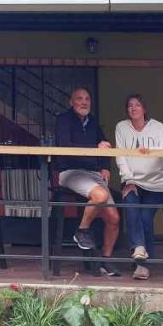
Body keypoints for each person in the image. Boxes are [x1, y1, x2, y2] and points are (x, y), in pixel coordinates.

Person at [53, 86, 121, 277]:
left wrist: (106, 166)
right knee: (101, 195)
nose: (84, 102)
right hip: (70, 172)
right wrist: (95, 147)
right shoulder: (63, 120)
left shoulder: (93, 123)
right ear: (71, 102)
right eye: (80, 99)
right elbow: (66, 146)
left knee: (114, 219)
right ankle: (82, 231)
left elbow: (104, 145)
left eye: (87, 99)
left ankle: (105, 261)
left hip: (92, 173)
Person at [115, 94, 163, 281]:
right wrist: (129, 180)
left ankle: (143, 261)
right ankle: (141, 255)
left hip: (156, 183)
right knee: (132, 209)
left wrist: (152, 151)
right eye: (130, 105)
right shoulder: (121, 127)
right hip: (133, 182)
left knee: (145, 218)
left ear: (144, 109)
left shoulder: (158, 127)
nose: (133, 108)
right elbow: (120, 156)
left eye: (137, 105)